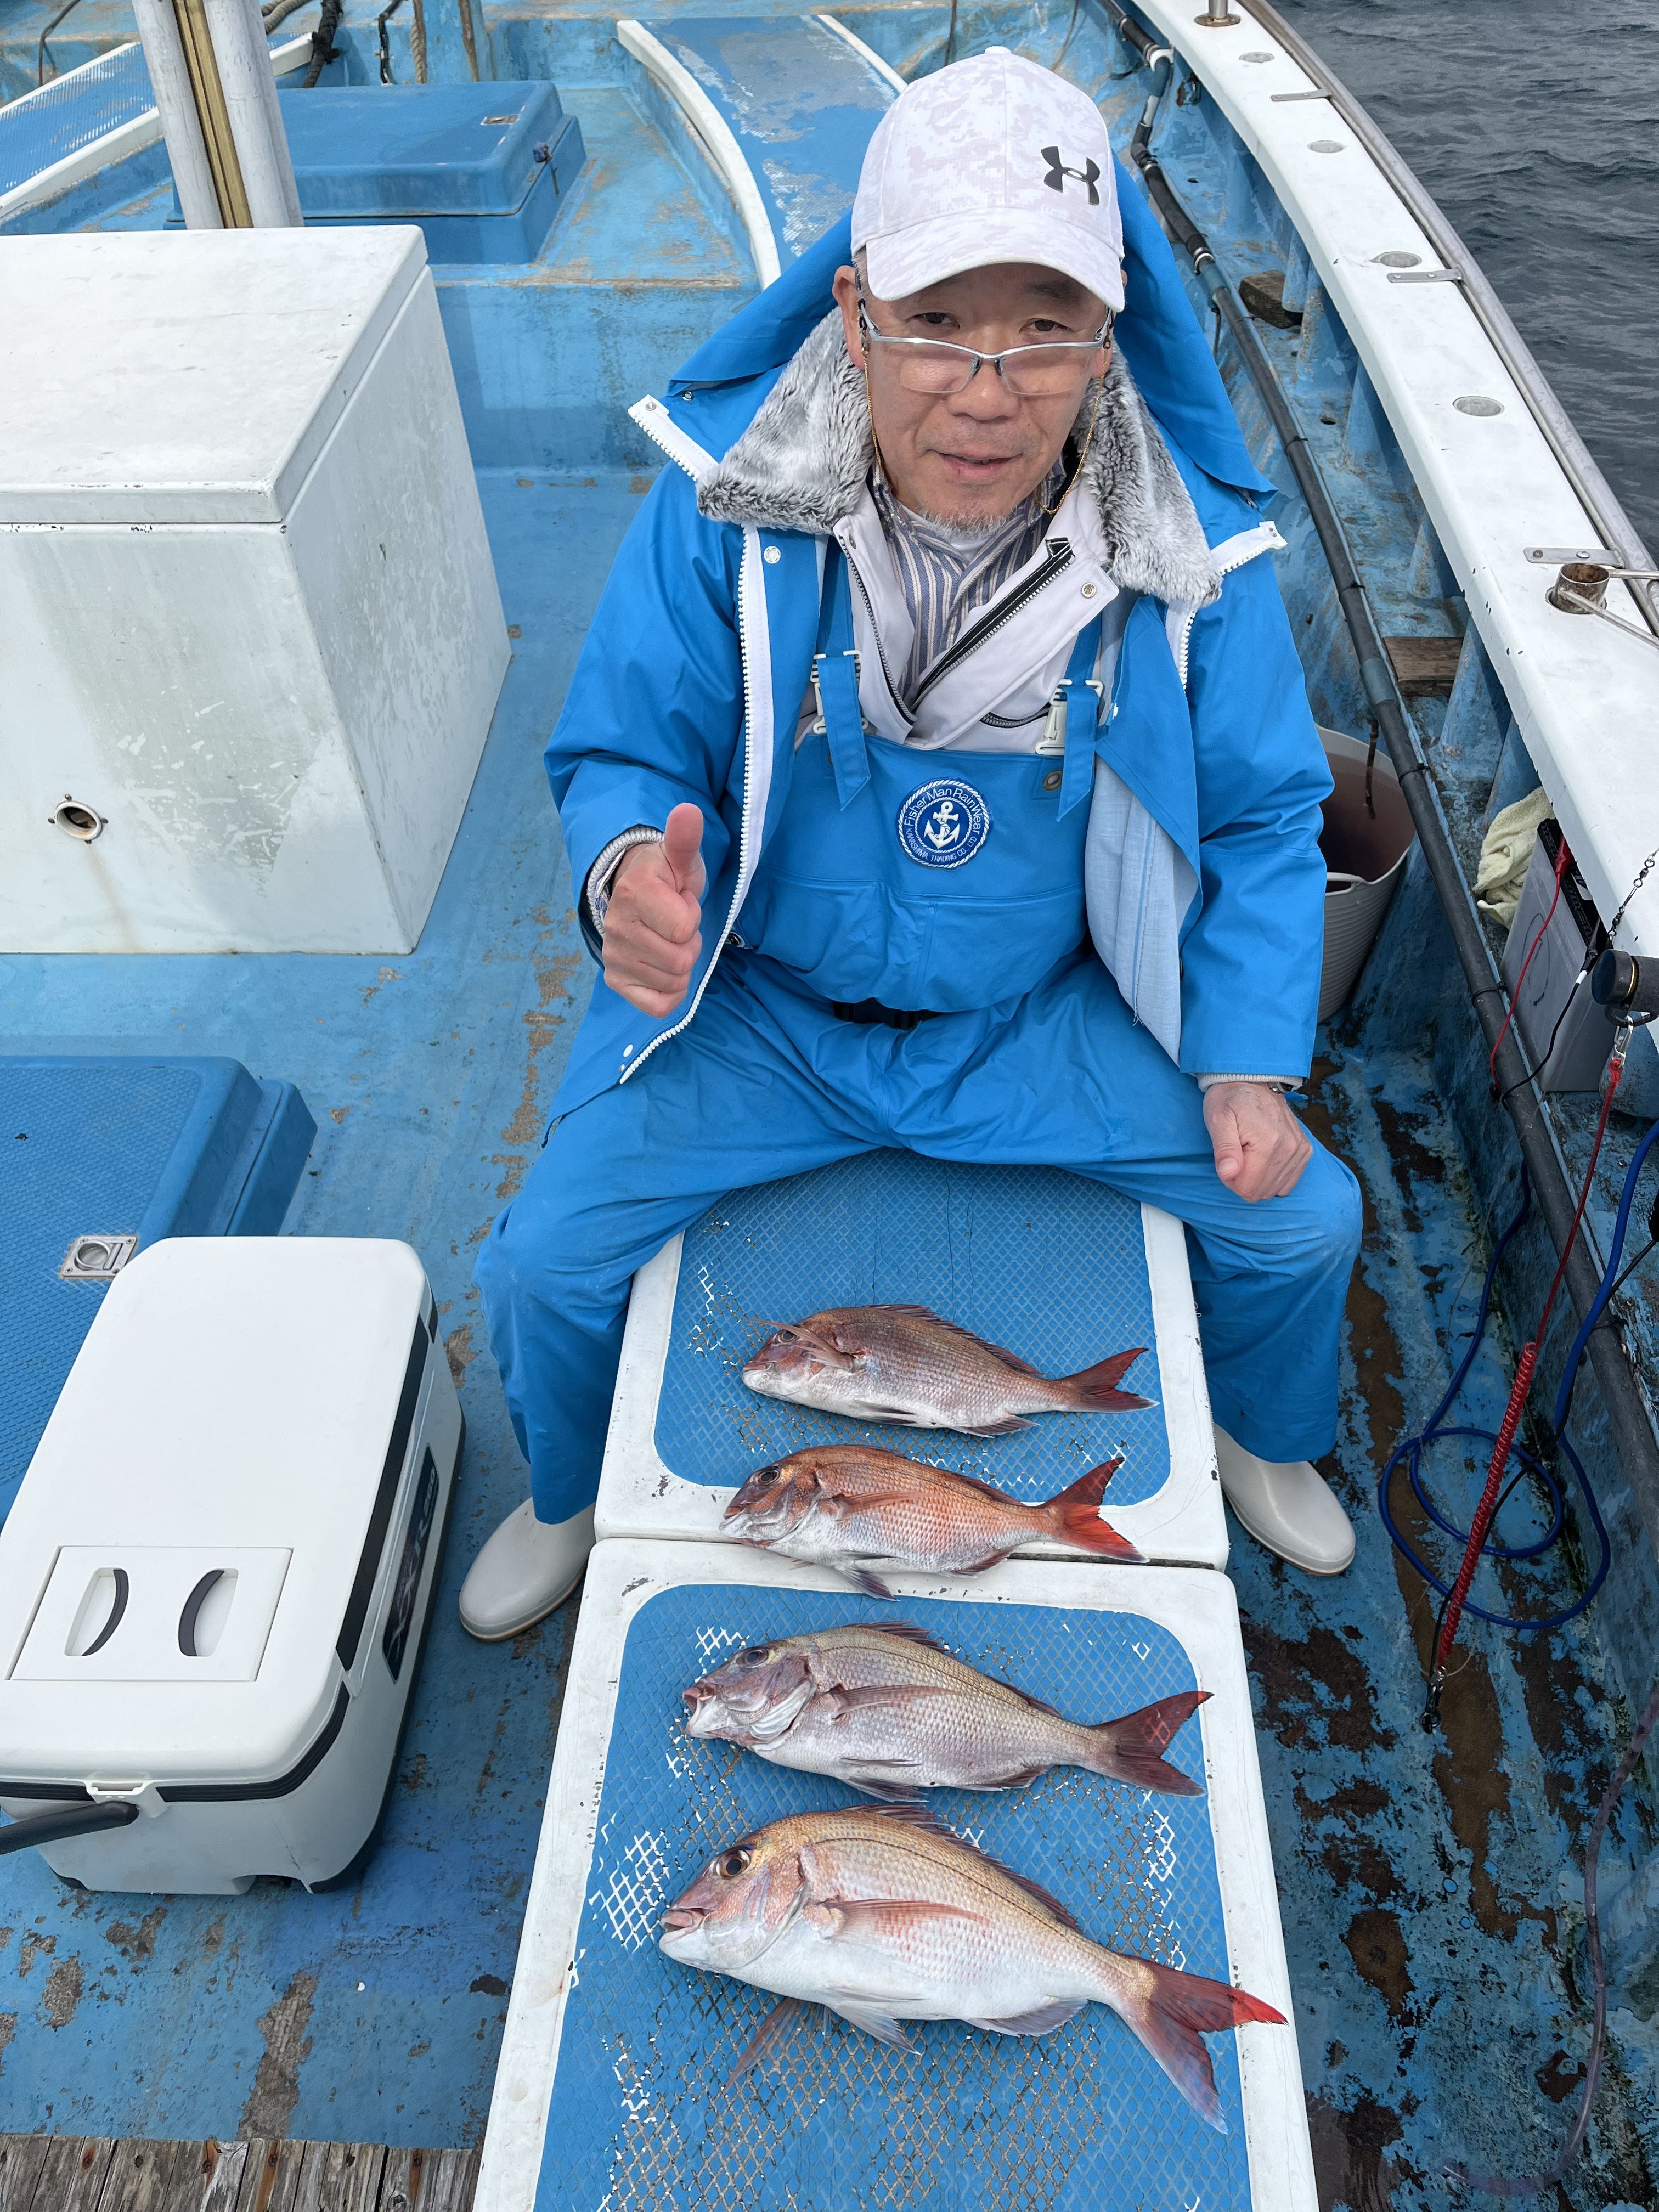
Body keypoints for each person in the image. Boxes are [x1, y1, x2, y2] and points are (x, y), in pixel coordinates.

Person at [461, 47, 1362, 1639]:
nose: (988, 388)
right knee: (541, 1266)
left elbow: (1264, 813)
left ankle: (1265, 1436)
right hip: (764, 1019)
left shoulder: (1186, 562)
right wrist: (626, 875)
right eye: (938, 320)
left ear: (1109, 336)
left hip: (1039, 1022)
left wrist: (1245, 1064)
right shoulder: (722, 511)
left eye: (1047, 327)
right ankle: (568, 1489)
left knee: (1306, 1222)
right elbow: (622, 747)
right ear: (855, 309)